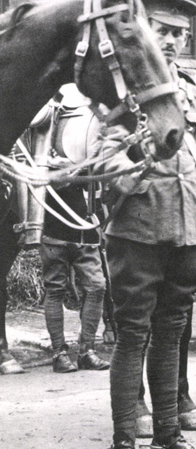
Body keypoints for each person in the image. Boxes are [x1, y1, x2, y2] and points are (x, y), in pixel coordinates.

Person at [94, 0, 196, 449]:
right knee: (133, 335)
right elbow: (103, 155)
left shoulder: (192, 92)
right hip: (137, 229)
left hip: (189, 233)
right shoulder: (123, 87)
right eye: (160, 29)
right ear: (144, 32)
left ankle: (167, 439)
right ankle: (123, 444)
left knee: (173, 334)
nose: (170, 40)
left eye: (178, 33)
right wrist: (129, 173)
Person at [38, 87, 109, 374]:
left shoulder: (95, 116)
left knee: (97, 287)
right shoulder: (48, 116)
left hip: (85, 223)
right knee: (54, 288)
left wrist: (75, 171)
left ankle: (87, 350)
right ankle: (58, 353)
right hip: (54, 221)